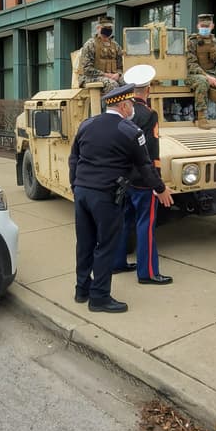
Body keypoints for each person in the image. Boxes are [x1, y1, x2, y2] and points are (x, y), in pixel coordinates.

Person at [69, 83, 167, 314]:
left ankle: (82, 290)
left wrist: (75, 185)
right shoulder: (130, 131)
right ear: (123, 105)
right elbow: (145, 166)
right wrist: (160, 188)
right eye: (130, 104)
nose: (132, 108)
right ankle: (100, 298)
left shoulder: (87, 124)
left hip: (82, 192)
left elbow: (74, 158)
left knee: (84, 243)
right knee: (105, 245)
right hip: (105, 196)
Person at [116, 64, 174, 285]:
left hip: (124, 178)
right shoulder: (149, 114)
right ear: (148, 90)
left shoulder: (122, 111)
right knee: (145, 225)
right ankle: (148, 272)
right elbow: (151, 152)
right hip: (142, 180)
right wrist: (157, 183)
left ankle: (117, 262)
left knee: (124, 220)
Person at [77, 15, 124, 92]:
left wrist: (118, 74)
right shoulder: (90, 44)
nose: (108, 30)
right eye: (105, 28)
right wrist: (106, 75)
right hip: (89, 77)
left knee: (127, 82)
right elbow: (87, 69)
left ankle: (126, 104)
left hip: (111, 76)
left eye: (110, 28)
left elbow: (120, 67)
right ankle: (108, 104)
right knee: (112, 84)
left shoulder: (116, 46)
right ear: (98, 28)